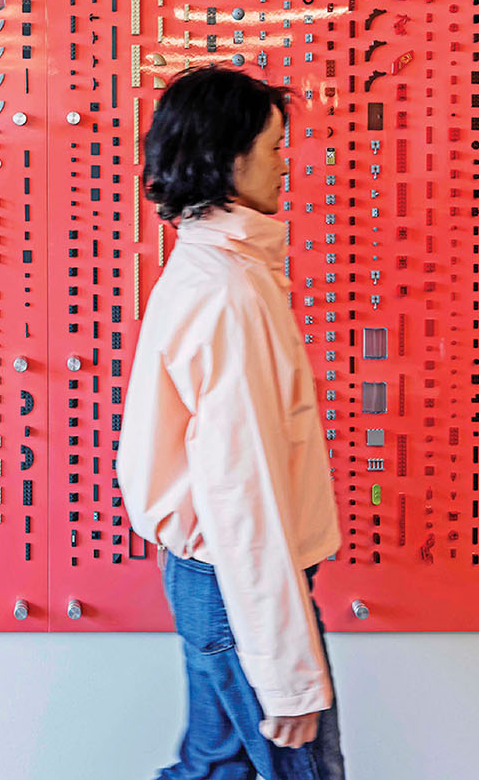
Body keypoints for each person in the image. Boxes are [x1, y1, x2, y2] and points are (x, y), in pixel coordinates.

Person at [118, 65, 346, 779]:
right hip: (236, 586)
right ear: (227, 156)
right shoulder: (230, 294)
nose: (287, 165)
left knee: (212, 772)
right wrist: (285, 671)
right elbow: (242, 494)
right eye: (276, 147)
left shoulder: (210, 269)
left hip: (211, 579)